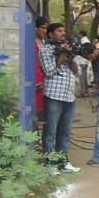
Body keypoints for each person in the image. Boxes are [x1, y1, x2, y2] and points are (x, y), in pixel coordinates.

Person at [38, 22, 80, 173]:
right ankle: (51, 164)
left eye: (63, 30)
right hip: (53, 96)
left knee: (65, 132)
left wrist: (70, 56)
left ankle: (63, 162)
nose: (63, 33)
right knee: (50, 131)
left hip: (69, 97)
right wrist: (62, 55)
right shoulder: (45, 51)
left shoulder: (67, 49)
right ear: (50, 34)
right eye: (59, 31)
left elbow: (77, 72)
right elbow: (49, 71)